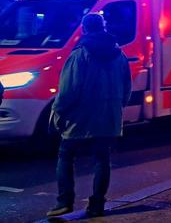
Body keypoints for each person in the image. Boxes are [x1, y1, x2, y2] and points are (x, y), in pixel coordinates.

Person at [47, 13, 132, 218]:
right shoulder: (119, 54)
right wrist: (116, 108)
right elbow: (127, 88)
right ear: (103, 27)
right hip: (108, 117)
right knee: (102, 160)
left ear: (84, 29)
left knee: (65, 156)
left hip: (81, 117)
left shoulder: (80, 54)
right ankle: (97, 205)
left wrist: (58, 111)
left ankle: (64, 202)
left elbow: (69, 91)